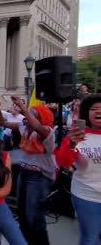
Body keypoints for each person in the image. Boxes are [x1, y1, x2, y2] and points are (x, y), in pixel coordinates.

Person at [0, 97, 55, 245]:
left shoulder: (46, 131)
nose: (27, 117)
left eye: (33, 114)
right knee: (22, 213)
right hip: (24, 172)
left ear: (41, 118)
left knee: (34, 216)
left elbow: (36, 125)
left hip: (39, 176)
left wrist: (22, 105)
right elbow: (2, 123)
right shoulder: (24, 128)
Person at [55, 95, 101, 245]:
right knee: (91, 237)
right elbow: (62, 162)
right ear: (87, 113)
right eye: (94, 109)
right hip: (87, 195)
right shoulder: (77, 135)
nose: (98, 112)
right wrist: (71, 145)